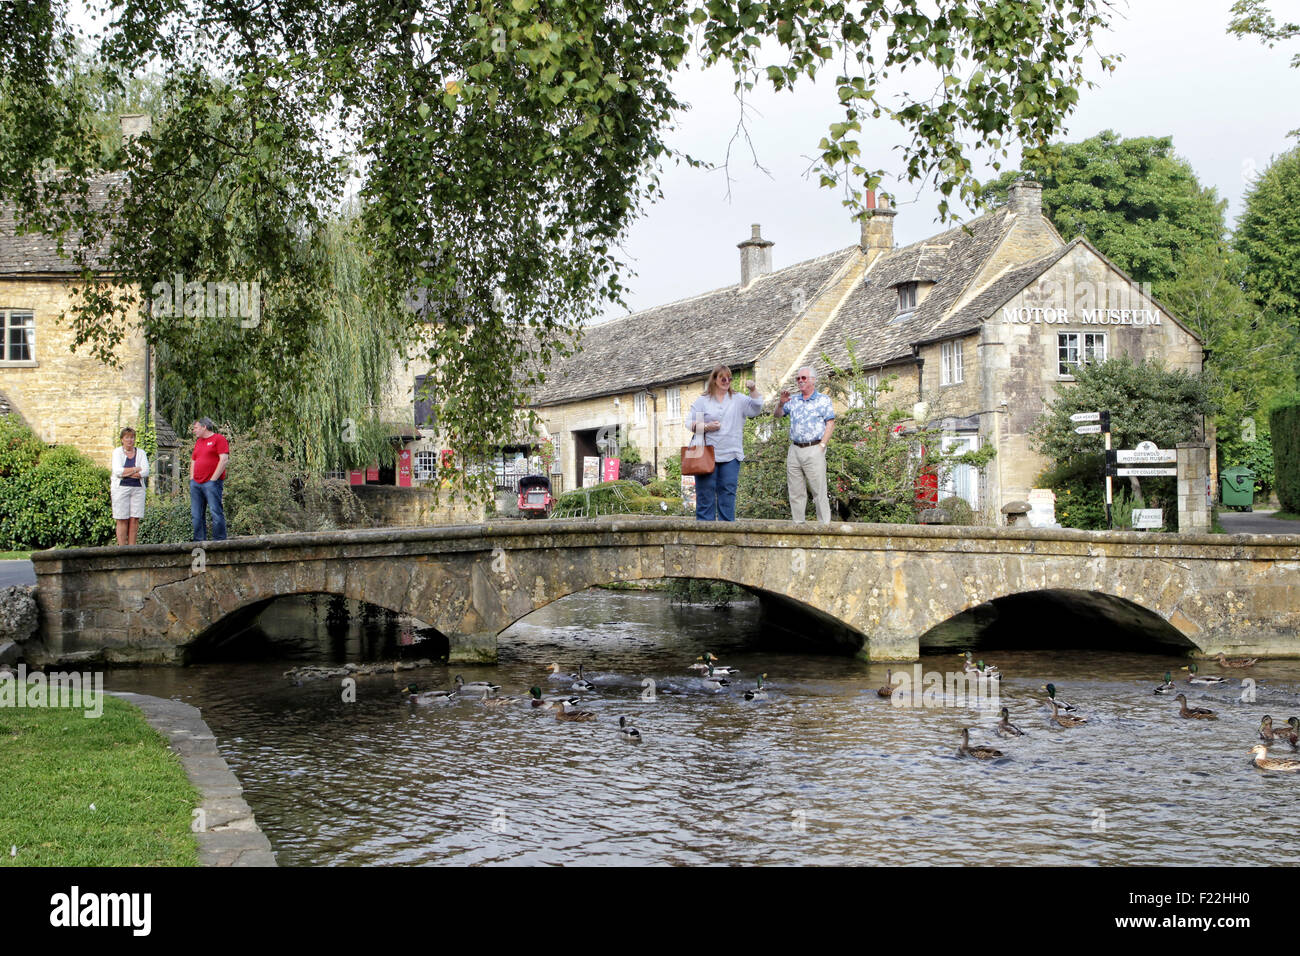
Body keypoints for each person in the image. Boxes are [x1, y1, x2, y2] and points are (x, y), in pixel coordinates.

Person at [684, 365, 765, 521]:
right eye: (722, 378)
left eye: (729, 378)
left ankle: (726, 536)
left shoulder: (738, 399)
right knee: (705, 495)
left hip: (731, 454)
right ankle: (704, 537)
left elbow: (756, 409)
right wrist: (707, 427)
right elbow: (690, 423)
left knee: (727, 495)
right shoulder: (704, 401)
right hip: (706, 455)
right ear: (714, 379)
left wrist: (753, 389)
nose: (726, 381)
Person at [774, 366, 836, 522]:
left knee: (819, 490)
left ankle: (824, 527)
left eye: (804, 378)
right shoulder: (793, 400)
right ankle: (798, 526)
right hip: (795, 449)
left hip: (814, 448)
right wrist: (780, 404)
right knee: (795, 491)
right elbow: (777, 415)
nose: (800, 381)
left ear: (813, 380)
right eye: (798, 378)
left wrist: (822, 446)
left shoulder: (823, 400)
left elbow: (830, 423)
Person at [190, 418, 230, 541]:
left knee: (216, 513)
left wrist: (213, 480)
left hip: (211, 483)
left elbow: (224, 460)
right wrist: (192, 479)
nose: (194, 430)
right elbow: (193, 461)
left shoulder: (219, 439)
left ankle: (219, 541)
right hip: (196, 483)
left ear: (204, 427)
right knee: (196, 515)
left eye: (196, 428)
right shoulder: (198, 442)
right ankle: (199, 541)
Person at [110, 427, 149, 545]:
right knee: (122, 518)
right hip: (121, 489)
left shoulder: (141, 453)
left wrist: (127, 473)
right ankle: (122, 549)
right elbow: (118, 471)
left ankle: (132, 548)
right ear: (122, 439)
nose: (130, 440)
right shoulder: (117, 452)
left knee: (134, 519)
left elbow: (145, 472)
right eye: (127, 437)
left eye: (132, 437)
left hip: (138, 489)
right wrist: (135, 469)